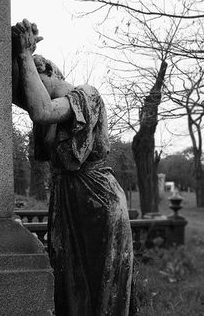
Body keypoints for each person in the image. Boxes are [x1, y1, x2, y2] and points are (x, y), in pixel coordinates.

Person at [12, 19, 134, 316]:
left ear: (50, 72)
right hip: (67, 200)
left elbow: (41, 110)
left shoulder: (85, 95)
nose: (26, 97)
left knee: (101, 284)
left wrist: (25, 55)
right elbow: (33, 106)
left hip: (98, 200)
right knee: (68, 279)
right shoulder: (47, 117)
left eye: (30, 82)